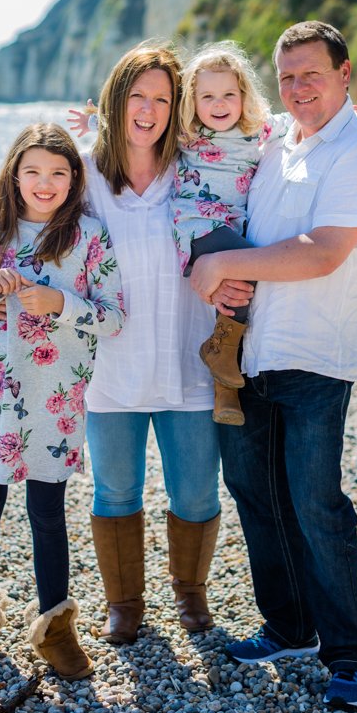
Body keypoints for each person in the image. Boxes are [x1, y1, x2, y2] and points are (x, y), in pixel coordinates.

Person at [189, 21, 357, 711]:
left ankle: (348, 656)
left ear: (345, 75)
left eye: (311, 73)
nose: (298, 88)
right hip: (250, 350)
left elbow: (321, 251)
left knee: (316, 504)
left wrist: (220, 263)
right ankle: (288, 627)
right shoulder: (275, 140)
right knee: (254, 494)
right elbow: (200, 140)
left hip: (317, 350)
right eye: (286, 77)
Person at [0, 123, 124, 680]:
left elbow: (114, 318)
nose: (45, 184)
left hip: (55, 399)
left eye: (58, 173)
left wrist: (61, 302)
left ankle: (55, 627)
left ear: (74, 179)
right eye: (33, 172)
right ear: (14, 175)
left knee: (47, 513)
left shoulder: (89, 237)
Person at [72, 41, 223, 642]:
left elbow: (250, 134)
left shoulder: (195, 168)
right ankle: (125, 605)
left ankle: (190, 595)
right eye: (138, 95)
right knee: (114, 490)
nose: (150, 109)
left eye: (163, 98)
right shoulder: (85, 174)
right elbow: (35, 216)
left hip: (187, 361)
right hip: (109, 366)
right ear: (117, 99)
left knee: (195, 491)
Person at [70, 41, 290, 426]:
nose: (218, 104)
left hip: (187, 375)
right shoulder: (192, 139)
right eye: (207, 97)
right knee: (249, 262)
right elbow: (133, 124)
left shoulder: (251, 132)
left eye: (227, 95)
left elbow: (291, 121)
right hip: (198, 225)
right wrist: (95, 121)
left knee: (246, 274)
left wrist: (326, 119)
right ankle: (223, 354)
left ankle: (223, 363)